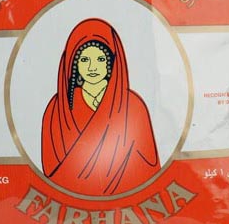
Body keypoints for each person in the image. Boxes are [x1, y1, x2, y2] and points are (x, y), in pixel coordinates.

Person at [41, 18, 160, 196]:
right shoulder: (57, 109)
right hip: (68, 203)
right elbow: (51, 170)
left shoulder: (133, 105)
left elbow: (147, 169)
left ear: (111, 62)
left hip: (127, 202)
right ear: (74, 64)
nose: (92, 67)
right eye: (84, 59)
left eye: (100, 59)